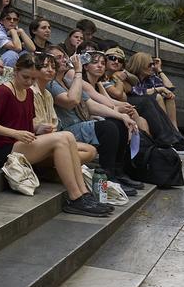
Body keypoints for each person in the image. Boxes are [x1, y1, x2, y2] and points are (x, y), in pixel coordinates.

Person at [0, 58, 112, 217]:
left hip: (19, 143)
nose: (29, 82)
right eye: (25, 77)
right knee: (62, 139)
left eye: (33, 78)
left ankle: (84, 194)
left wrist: (39, 128)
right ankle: (75, 197)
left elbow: (22, 122)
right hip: (0, 150)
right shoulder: (4, 91)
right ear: (15, 72)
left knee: (68, 137)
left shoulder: (27, 92)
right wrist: (15, 133)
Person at [46, 46, 143, 194]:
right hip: (65, 129)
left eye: (63, 56)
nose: (64, 59)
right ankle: (108, 176)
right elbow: (70, 101)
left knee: (118, 123)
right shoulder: (50, 83)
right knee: (108, 128)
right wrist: (78, 71)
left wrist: (121, 116)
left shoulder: (67, 81)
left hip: (79, 124)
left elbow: (91, 105)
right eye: (58, 58)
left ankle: (118, 172)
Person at [29, 52, 97, 166]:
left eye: (53, 67)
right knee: (70, 141)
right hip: (34, 140)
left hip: (49, 138)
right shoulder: (31, 91)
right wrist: (78, 71)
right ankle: (56, 171)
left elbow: (54, 122)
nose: (50, 70)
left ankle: (58, 171)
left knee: (90, 151)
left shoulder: (48, 94)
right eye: (45, 66)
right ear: (35, 69)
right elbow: (72, 101)